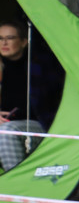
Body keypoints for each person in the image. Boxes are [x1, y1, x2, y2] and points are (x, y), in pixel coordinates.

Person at [0, 19, 64, 172]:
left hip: (39, 125)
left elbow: (51, 103)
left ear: (23, 42)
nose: (4, 43)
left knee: (7, 130)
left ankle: (15, 182)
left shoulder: (41, 65)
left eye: (10, 38)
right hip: (6, 124)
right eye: (0, 38)